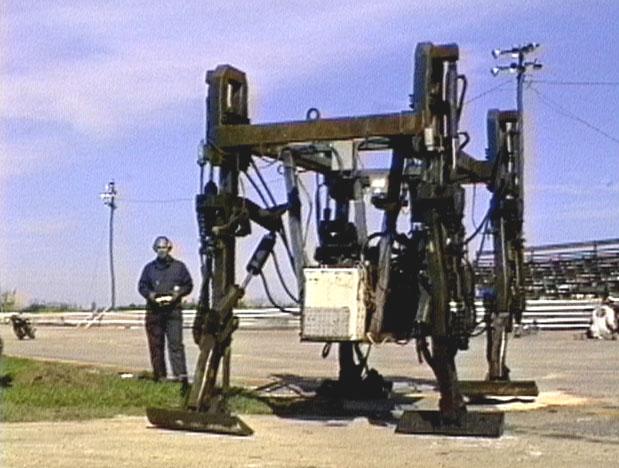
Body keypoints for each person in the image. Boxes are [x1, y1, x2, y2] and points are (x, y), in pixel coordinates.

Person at [138, 236, 193, 393]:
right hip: (154, 311)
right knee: (156, 345)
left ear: (169, 248)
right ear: (155, 250)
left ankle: (180, 376)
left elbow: (188, 284)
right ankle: (160, 376)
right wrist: (150, 295)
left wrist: (178, 294)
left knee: (176, 345)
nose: (162, 251)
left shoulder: (179, 267)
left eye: (164, 248)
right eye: (159, 248)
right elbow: (142, 286)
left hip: (173, 311)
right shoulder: (149, 269)